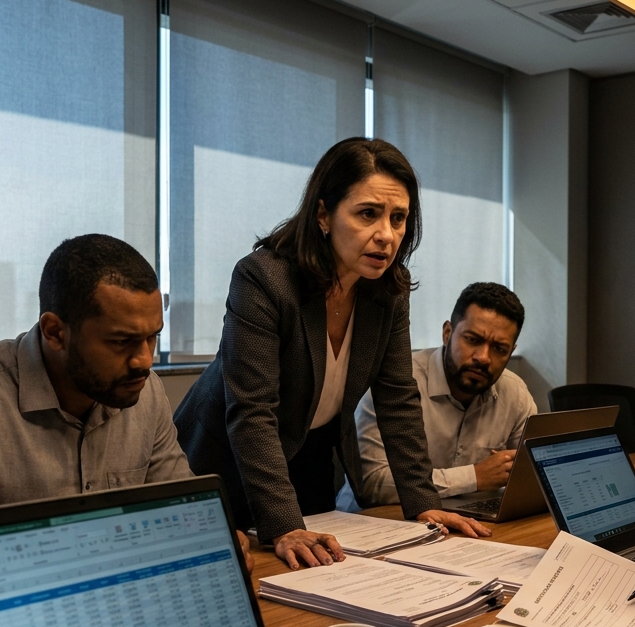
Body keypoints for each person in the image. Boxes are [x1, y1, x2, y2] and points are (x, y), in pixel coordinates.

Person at [0, 234, 252, 613]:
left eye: (152, 338)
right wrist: (62, 554)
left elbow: (180, 514)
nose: (144, 360)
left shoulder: (143, 393)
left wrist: (210, 536)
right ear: (55, 332)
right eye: (121, 341)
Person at [175, 137, 492, 570]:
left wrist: (423, 502)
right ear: (323, 214)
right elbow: (251, 412)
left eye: (398, 218)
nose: (386, 235)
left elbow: (397, 398)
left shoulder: (388, 290)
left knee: (319, 577)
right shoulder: (264, 278)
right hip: (228, 459)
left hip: (309, 454)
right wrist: (284, 524)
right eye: (368, 214)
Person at [338, 282, 537, 510]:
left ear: (511, 352)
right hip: (376, 522)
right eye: (472, 339)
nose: (483, 357)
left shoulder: (515, 395)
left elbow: (533, 477)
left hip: (466, 523)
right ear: (447, 333)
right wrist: (474, 477)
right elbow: (372, 484)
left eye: (499, 348)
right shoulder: (394, 382)